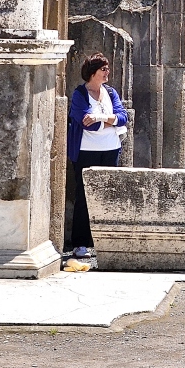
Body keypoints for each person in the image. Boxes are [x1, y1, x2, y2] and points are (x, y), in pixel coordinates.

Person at [67, 53, 128, 260]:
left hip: (111, 149)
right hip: (86, 152)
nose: (107, 72)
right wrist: (109, 121)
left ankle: (104, 241)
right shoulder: (79, 94)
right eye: (104, 69)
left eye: (107, 68)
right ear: (92, 73)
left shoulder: (110, 93)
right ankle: (80, 243)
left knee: (107, 195)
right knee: (83, 197)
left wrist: (101, 117)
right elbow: (87, 124)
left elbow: (123, 117)